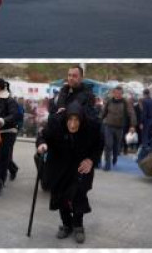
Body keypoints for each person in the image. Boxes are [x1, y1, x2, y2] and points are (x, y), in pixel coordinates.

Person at [36, 102, 105, 244]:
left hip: (80, 165)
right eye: (70, 120)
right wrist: (42, 144)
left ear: (81, 120)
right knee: (61, 196)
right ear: (66, 118)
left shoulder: (91, 127)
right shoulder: (56, 124)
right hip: (60, 165)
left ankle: (78, 226)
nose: (73, 125)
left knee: (79, 194)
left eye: (76, 120)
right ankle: (67, 224)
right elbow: (42, 136)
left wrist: (91, 160)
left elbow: (99, 145)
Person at [100, 86, 136, 171]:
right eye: (116, 93)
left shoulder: (125, 102)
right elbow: (103, 112)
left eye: (119, 93)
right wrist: (99, 120)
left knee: (116, 145)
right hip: (108, 125)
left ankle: (115, 156)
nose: (117, 95)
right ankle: (107, 164)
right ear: (113, 93)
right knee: (108, 144)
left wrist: (132, 125)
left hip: (119, 127)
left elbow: (132, 114)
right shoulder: (109, 101)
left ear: (122, 94)